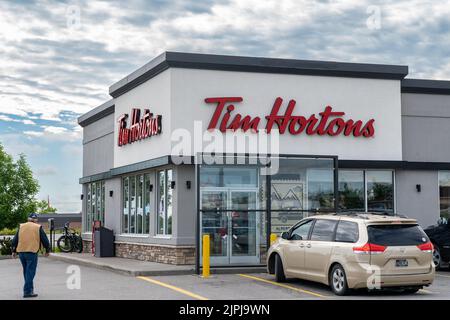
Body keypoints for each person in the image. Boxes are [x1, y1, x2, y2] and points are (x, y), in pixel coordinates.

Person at [11, 213, 50, 298]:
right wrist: (47, 250)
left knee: (26, 271)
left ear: (28, 219)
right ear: (35, 220)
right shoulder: (38, 227)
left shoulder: (21, 226)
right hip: (32, 252)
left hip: (21, 252)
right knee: (30, 272)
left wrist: (13, 251)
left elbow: (15, 240)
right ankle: (27, 291)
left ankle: (30, 290)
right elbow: (45, 240)